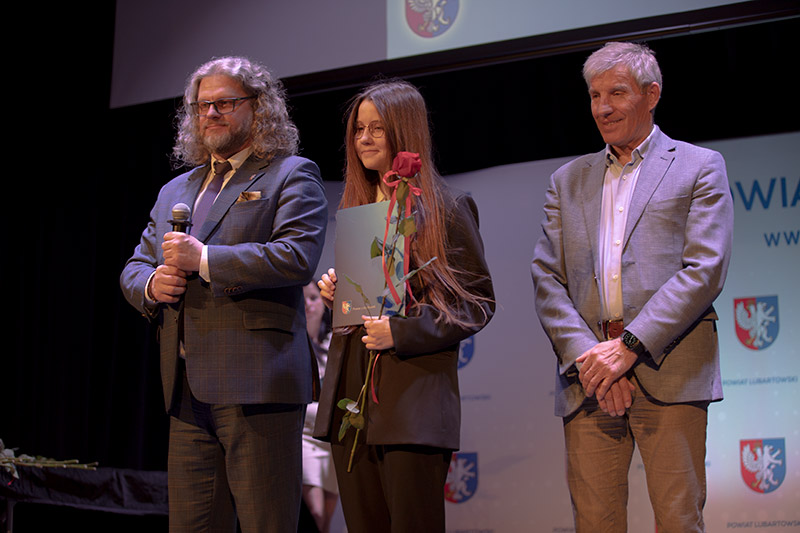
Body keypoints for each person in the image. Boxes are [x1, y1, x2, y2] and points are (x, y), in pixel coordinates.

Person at [531, 41, 733, 532]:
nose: (603, 107)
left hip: (670, 369)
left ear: (652, 95)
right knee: (595, 523)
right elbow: (547, 279)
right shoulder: (566, 179)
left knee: (678, 521)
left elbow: (704, 269)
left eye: (617, 93)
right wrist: (592, 358)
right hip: (590, 378)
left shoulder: (699, 165)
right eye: (594, 95)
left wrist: (628, 348)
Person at [119, 56, 327, 533]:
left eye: (225, 103)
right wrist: (151, 285)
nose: (210, 113)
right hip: (186, 388)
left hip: (259, 384)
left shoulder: (291, 173)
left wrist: (205, 259)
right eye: (202, 105)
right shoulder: (176, 189)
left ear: (260, 107)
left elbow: (296, 256)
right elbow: (134, 266)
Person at [312, 79, 495, 533]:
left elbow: (476, 302)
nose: (364, 139)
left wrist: (402, 331)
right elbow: (366, 300)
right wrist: (338, 293)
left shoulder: (448, 208)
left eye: (377, 128)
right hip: (352, 403)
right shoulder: (358, 209)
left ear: (404, 130)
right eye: (358, 129)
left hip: (411, 403)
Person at [301, 281, 339, 533]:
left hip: (331, 441)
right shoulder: (292, 344)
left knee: (325, 519)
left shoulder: (333, 343)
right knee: (314, 512)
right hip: (304, 437)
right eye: (302, 298)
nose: (308, 304)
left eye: (314, 298)